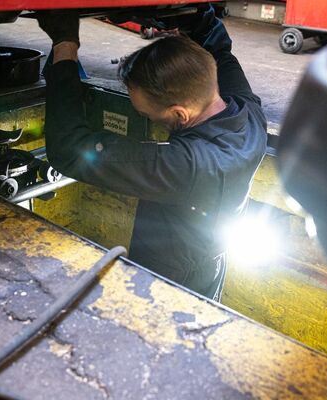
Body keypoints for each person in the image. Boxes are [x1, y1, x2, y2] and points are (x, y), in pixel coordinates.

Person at [37, 6, 267, 300]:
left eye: (148, 115)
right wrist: (193, 13)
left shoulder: (186, 166)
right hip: (210, 264)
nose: (146, 118)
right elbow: (218, 48)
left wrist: (65, 45)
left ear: (180, 114)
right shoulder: (248, 113)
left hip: (170, 284)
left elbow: (69, 149)